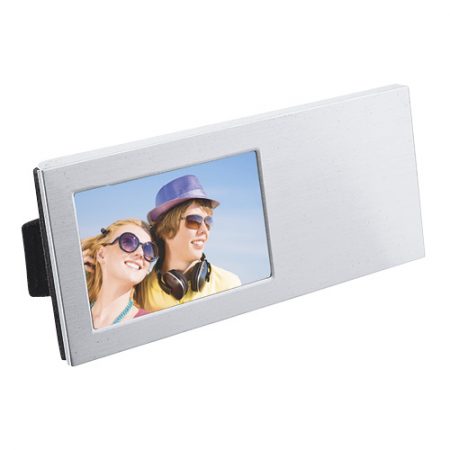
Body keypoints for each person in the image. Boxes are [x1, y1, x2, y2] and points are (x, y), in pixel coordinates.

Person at [142, 174, 241, 312]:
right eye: (194, 221)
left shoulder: (229, 284)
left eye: (208, 221)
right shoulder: (140, 293)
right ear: (165, 230)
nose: (204, 230)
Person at [82, 219, 158, 329]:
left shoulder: (149, 325)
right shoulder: (75, 314)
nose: (141, 253)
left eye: (148, 250)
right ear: (101, 254)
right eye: (128, 242)